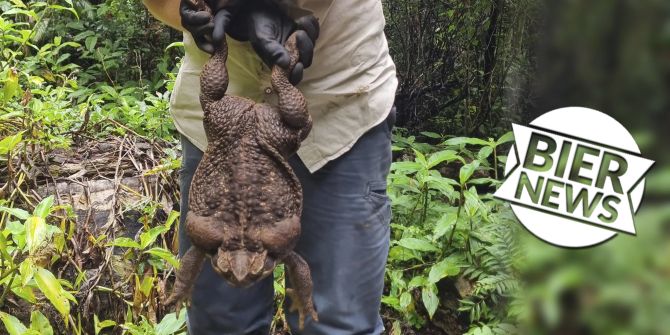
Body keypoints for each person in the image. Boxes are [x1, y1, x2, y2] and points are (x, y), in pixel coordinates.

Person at [142, 0, 397, 334]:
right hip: (220, 124)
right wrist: (200, 12)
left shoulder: (273, 244)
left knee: (337, 324)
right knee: (219, 324)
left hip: (337, 101)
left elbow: (295, 261)